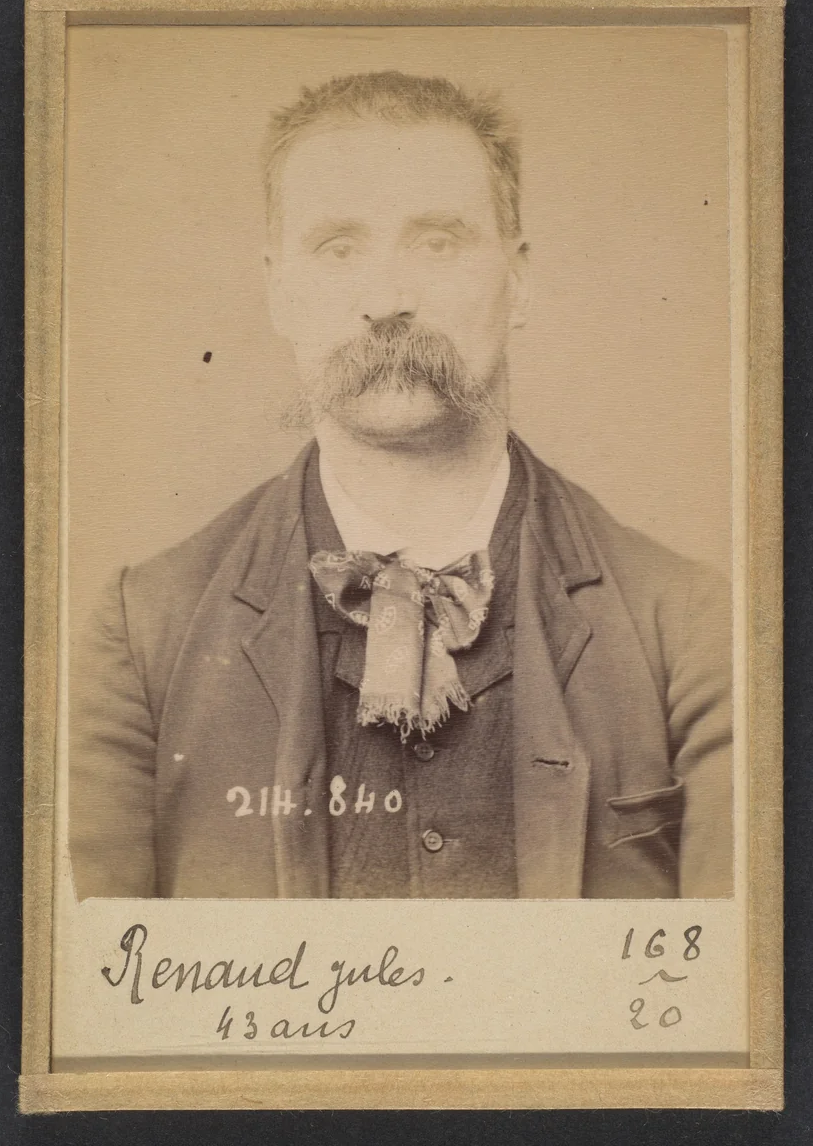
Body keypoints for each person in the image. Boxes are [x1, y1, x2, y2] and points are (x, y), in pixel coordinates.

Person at [70, 70, 732, 900]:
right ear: (279, 288)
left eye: (438, 241)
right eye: (339, 247)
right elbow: (95, 1004)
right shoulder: (145, 632)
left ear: (518, 279)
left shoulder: (689, 626)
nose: (386, 300)